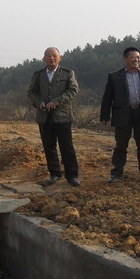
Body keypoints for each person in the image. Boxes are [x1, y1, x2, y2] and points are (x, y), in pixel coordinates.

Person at [100, 47, 140, 184]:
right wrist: (105, 115)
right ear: (125, 59)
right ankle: (116, 173)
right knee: (120, 146)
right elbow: (107, 97)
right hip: (123, 114)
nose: (136, 60)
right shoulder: (115, 76)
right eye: (133, 57)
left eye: (138, 57)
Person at [27, 47, 81, 187]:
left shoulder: (68, 73)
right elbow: (31, 92)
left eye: (54, 56)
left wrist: (56, 101)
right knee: (49, 146)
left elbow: (73, 90)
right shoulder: (38, 75)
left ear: (59, 58)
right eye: (48, 56)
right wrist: (39, 102)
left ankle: (72, 175)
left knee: (66, 146)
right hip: (44, 116)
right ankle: (54, 173)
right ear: (44, 58)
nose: (51, 58)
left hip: (62, 115)